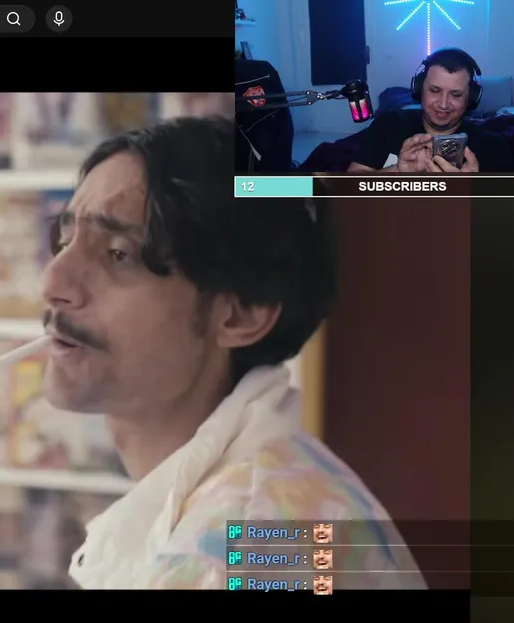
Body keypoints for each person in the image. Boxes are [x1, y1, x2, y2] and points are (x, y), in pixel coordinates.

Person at [41, 118, 425, 590]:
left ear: (241, 314)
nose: (52, 283)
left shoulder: (242, 553)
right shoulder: (262, 492)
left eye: (118, 253)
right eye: (64, 242)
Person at [347, 47, 513, 173]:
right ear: (419, 89)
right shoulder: (388, 124)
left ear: (471, 98)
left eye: (455, 94)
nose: (443, 104)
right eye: (435, 90)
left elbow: (511, 207)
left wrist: (469, 190)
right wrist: (399, 171)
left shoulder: (492, 146)